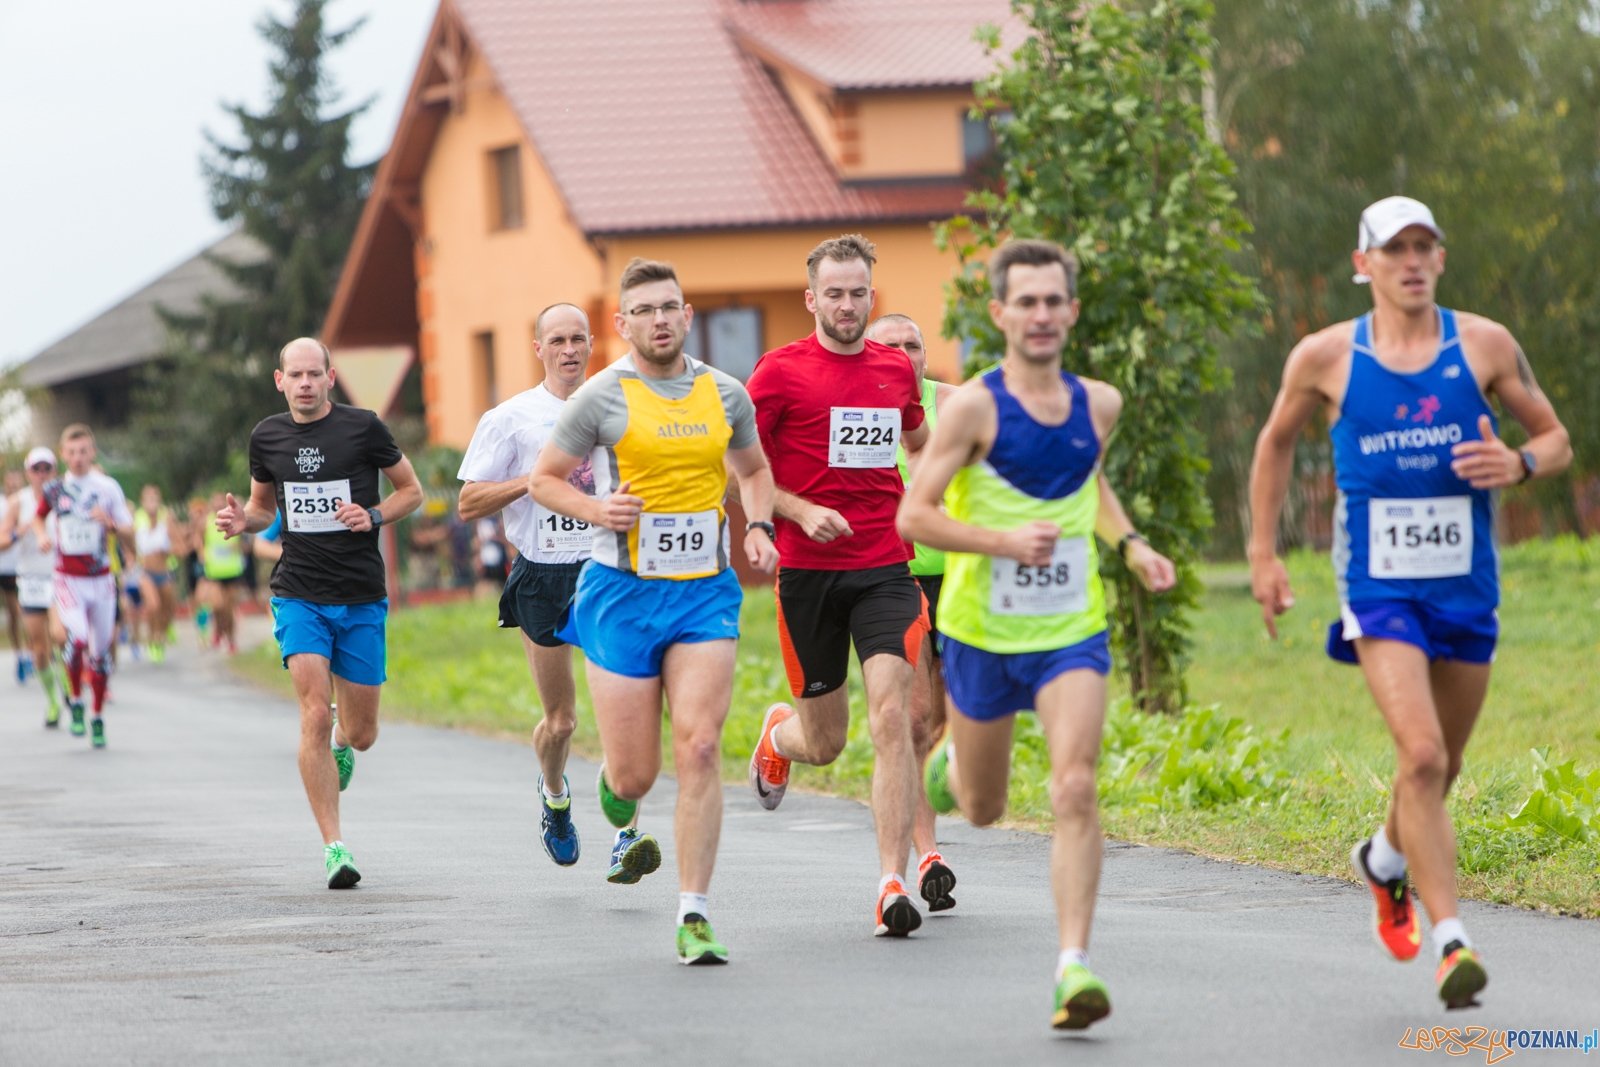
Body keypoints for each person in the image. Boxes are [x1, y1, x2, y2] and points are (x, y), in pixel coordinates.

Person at [1247, 197, 1571, 1010]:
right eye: (1395, 249)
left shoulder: (1485, 343)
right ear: (1364, 265)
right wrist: (1262, 551)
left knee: (1444, 765)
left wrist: (1519, 463)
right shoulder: (1324, 357)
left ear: (1441, 258)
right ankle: (1452, 940)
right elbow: (1275, 441)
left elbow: (1556, 437)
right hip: (1378, 586)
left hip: (1467, 586)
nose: (1412, 261)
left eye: (1425, 246)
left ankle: (1386, 859)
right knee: (1421, 756)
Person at [901, 239, 1176, 1030]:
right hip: (982, 633)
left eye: (1055, 300)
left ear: (1072, 311)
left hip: (1070, 629)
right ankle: (958, 762)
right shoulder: (973, 408)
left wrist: (1131, 545)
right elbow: (913, 515)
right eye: (1026, 301)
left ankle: (1073, 965)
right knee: (983, 808)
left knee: (1075, 786)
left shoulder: (1101, 403)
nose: (1042, 314)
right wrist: (999, 542)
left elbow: (1087, 480)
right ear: (1000, 314)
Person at [530, 258, 778, 965]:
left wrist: (757, 525)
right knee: (635, 775)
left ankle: (694, 913)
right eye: (644, 310)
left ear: (688, 314)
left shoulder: (724, 394)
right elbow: (545, 480)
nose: (659, 319)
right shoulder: (601, 399)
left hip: (704, 590)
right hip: (622, 592)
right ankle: (613, 785)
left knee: (699, 746)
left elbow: (754, 469)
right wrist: (596, 507)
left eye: (670, 306)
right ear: (623, 324)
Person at [743, 235, 935, 937]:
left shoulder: (894, 369)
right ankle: (779, 734)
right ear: (811, 299)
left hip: (885, 564)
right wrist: (792, 512)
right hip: (807, 574)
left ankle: (891, 880)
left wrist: (923, 497)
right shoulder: (778, 373)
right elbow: (747, 465)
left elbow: (917, 442)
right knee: (826, 742)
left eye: (859, 293)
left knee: (892, 717)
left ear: (871, 296)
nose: (848, 305)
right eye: (835, 293)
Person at [215, 337, 423, 889]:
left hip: (359, 596)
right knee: (312, 709)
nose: (305, 383)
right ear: (279, 380)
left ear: (331, 377)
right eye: (296, 375)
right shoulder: (268, 436)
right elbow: (263, 508)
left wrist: (374, 515)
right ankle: (334, 847)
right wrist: (245, 523)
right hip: (298, 591)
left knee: (362, 732)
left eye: (315, 374)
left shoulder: (364, 428)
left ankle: (341, 743)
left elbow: (413, 492)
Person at [458, 303, 597, 869]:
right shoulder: (510, 417)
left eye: (578, 339)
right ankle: (555, 795)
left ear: (591, 345)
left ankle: (626, 835)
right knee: (561, 720)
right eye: (557, 340)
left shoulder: (618, 407)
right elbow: (468, 502)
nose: (569, 350)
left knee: (625, 708)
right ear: (538, 348)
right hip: (543, 573)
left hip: (607, 569)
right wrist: (533, 480)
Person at [862, 313, 961, 913]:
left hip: (965, 576)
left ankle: (931, 831)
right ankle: (928, 854)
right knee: (916, 719)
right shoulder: (857, 414)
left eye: (913, 345)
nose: (903, 355)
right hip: (895, 576)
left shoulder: (956, 407)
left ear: (927, 354)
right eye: (891, 346)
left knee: (955, 718)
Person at [30, 426, 135, 747]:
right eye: (72, 452)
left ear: (93, 453)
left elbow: (130, 535)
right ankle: (75, 698)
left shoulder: (108, 488)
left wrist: (112, 525)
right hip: (68, 579)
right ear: (63, 455)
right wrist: (42, 536)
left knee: (100, 654)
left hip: (101, 580)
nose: (77, 458)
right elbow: (38, 517)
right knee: (76, 639)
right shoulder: (55, 489)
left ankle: (98, 715)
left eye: (84, 451)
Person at [0, 449, 66, 723]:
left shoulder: (65, 497)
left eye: (47, 469)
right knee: (39, 650)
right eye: (36, 469)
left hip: (60, 577)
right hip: (31, 580)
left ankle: (71, 692)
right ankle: (52, 700)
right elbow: (2, 542)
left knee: (60, 636)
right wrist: (20, 531)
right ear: (28, 473)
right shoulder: (18, 502)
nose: (42, 474)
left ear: (54, 471)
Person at [134, 485, 182, 663]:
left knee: (168, 608)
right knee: (153, 606)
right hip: (145, 572)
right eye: (148, 499)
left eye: (155, 499)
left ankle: (162, 631)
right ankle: (154, 639)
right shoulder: (137, 520)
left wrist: (169, 550)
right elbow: (129, 543)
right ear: (143, 502)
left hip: (164, 572)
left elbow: (179, 546)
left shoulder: (167, 520)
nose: (152, 503)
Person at [203, 491, 247, 653]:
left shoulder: (234, 520)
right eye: (215, 501)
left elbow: (247, 545)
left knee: (229, 610)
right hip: (214, 572)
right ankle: (217, 629)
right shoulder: (206, 522)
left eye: (221, 502)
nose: (218, 504)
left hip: (232, 571)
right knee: (217, 605)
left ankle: (231, 640)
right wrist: (202, 554)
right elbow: (198, 540)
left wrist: (238, 547)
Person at [1, 470, 27, 683]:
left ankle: (28, 653)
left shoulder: (28, 502)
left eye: (16, 481)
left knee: (22, 611)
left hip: (22, 567)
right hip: (4, 566)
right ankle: (20, 653)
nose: (12, 485)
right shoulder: (2, 504)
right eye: (9, 482)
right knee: (13, 614)